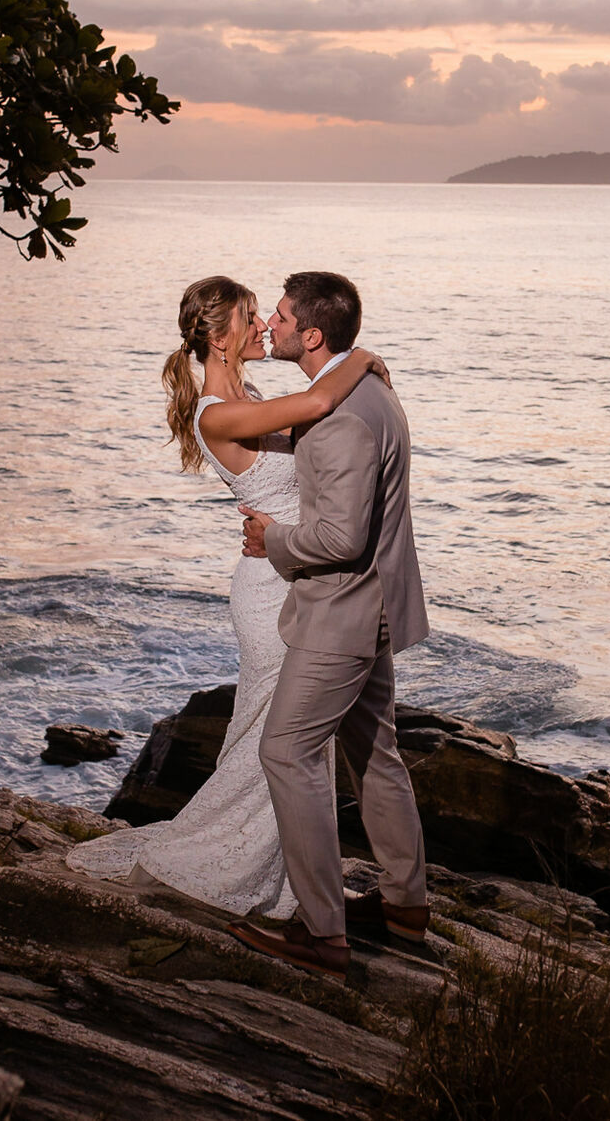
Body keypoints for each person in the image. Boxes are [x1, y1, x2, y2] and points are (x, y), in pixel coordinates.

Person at [64, 276, 385, 917]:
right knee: (281, 735)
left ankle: (294, 878)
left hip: (293, 566)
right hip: (271, 590)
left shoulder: (252, 394)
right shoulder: (218, 413)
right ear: (220, 337)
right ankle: (245, 871)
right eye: (250, 319)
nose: (265, 326)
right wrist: (364, 360)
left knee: (291, 735)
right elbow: (319, 405)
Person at [226, 271, 431, 979]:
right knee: (375, 752)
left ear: (311, 335)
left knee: (286, 752)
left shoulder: (342, 414)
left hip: (341, 612)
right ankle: (406, 905)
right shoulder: (365, 387)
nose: (271, 325)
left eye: (280, 316)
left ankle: (323, 935)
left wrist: (272, 541)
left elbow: (340, 539)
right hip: (376, 606)